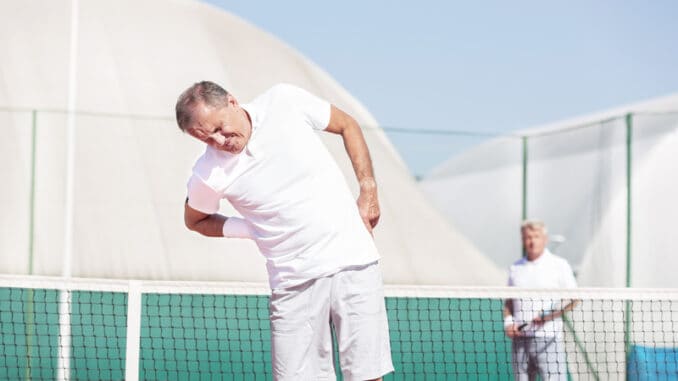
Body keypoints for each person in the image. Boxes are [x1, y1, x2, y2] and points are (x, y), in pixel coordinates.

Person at [175, 81, 394, 381]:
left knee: (368, 376)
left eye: (220, 128)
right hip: (292, 283)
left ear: (233, 102)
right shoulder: (206, 173)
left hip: (354, 262)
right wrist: (250, 229)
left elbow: (348, 125)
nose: (218, 140)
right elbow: (195, 220)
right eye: (206, 138)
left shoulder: (284, 101)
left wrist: (368, 188)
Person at [503, 220, 579, 381]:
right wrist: (509, 323)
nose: (532, 241)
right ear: (523, 240)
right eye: (528, 237)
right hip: (520, 340)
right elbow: (508, 301)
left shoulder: (559, 265)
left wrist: (548, 316)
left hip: (549, 339)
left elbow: (574, 299)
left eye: (536, 236)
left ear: (545, 239)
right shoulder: (515, 268)